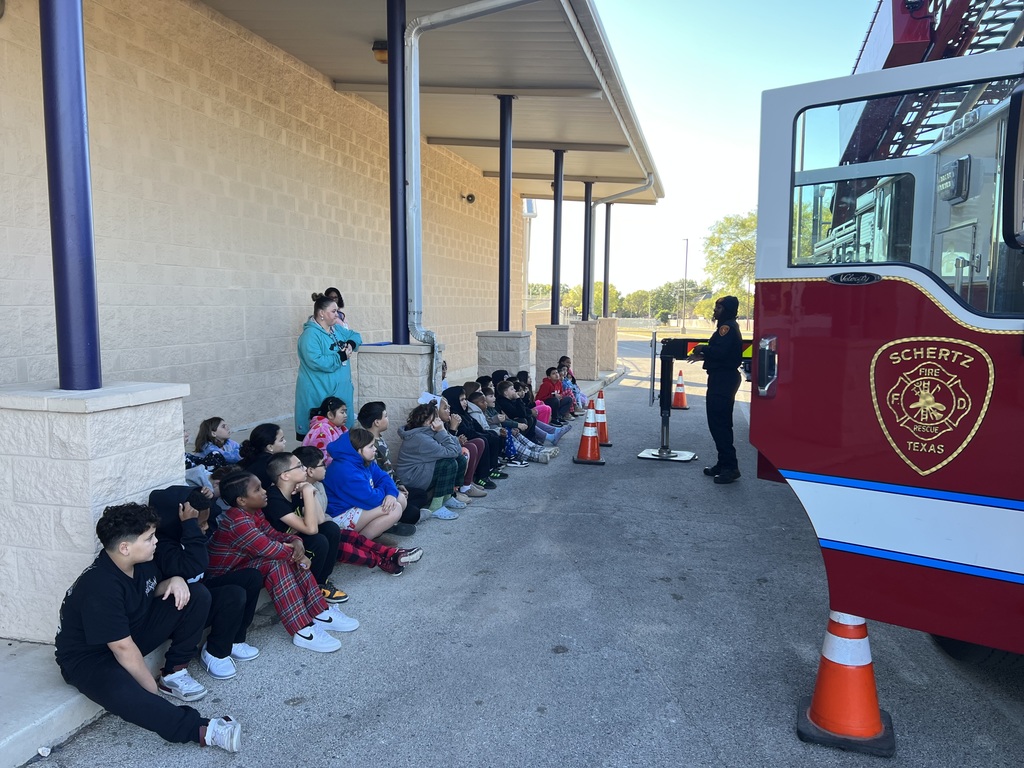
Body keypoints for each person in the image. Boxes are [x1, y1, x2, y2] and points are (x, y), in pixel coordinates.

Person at [54, 503, 242, 752]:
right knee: (127, 694)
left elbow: (147, 592)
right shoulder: (100, 585)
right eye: (149, 538)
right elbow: (122, 649)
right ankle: (203, 730)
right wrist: (150, 691)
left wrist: (173, 581)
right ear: (125, 547)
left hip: (131, 631)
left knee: (193, 593)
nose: (155, 542)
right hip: (90, 657)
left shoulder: (140, 563)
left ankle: (174, 672)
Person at [207, 472, 357, 653]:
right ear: (241, 500)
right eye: (257, 490)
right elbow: (269, 549)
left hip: (242, 568)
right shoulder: (237, 521)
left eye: (262, 486)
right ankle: (302, 630)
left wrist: (296, 541)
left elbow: (274, 535)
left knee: (283, 558)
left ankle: (320, 612)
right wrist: (299, 553)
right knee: (276, 562)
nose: (264, 492)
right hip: (221, 579)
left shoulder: (253, 513)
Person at [149, 486, 262, 681]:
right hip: (184, 612)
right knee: (231, 594)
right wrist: (192, 527)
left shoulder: (194, 529)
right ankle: (213, 654)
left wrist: (207, 496)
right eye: (199, 524)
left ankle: (234, 639)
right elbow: (195, 565)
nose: (206, 528)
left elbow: (211, 516)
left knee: (251, 577)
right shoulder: (164, 546)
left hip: (203, 596)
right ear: (181, 523)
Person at [294, 444, 423, 576]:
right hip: (321, 535)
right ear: (310, 471)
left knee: (356, 540)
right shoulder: (303, 491)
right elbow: (320, 520)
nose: (326, 466)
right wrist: (308, 492)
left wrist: (389, 492)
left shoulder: (318, 484)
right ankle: (389, 558)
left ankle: (393, 555)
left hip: (330, 529)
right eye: (322, 465)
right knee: (349, 548)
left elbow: (382, 478)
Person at [264, 452, 348, 604]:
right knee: (319, 540)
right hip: (281, 547)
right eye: (299, 466)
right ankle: (309, 589)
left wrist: (308, 489)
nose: (304, 469)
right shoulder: (274, 499)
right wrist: (308, 492)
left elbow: (321, 520)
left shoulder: (296, 490)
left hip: (297, 539)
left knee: (330, 528)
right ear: (285, 476)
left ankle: (320, 583)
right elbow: (311, 530)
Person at [690, 295, 743, 484]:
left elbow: (720, 352)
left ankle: (730, 467)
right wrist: (705, 356)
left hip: (723, 379)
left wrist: (703, 348)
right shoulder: (726, 328)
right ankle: (723, 463)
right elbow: (724, 354)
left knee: (719, 423)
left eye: (719, 308)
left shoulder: (726, 328)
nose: (715, 311)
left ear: (727, 310)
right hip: (722, 377)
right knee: (718, 423)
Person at [295, 294, 362, 438]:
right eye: (333, 311)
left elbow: (356, 335)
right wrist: (341, 356)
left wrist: (350, 344)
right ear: (321, 313)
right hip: (319, 392)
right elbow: (316, 361)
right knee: (322, 439)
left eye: (337, 311)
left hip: (340, 392)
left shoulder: (336, 330)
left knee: (343, 438)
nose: (337, 314)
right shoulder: (310, 335)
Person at [322, 428, 405, 538]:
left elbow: (384, 477)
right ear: (358, 450)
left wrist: (390, 493)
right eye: (370, 446)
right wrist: (387, 492)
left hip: (357, 505)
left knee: (400, 497)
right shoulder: (344, 470)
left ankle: (376, 534)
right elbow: (371, 499)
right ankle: (360, 543)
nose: (375, 449)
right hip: (340, 514)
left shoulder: (360, 459)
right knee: (395, 509)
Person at [357, 400, 420, 534]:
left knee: (420, 495)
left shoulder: (380, 439)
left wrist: (398, 484)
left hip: (390, 487)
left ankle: (394, 519)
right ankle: (388, 525)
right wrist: (393, 492)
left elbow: (388, 470)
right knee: (413, 512)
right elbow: (377, 479)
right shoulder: (371, 446)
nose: (388, 419)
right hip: (382, 493)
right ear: (377, 422)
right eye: (385, 416)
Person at [395, 402, 465, 520]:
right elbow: (452, 451)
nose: (439, 420)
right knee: (448, 464)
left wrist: (442, 431)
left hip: (422, 470)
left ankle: (447, 497)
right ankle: (436, 507)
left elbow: (457, 451)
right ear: (428, 422)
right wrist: (442, 431)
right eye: (436, 417)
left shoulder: (429, 431)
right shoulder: (420, 439)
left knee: (460, 459)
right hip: (412, 478)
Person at [238, 423, 288, 489]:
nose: (285, 441)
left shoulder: (248, 459)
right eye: (281, 440)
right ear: (270, 447)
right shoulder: (275, 464)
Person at [302, 396, 349, 466]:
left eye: (345, 412)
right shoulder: (322, 429)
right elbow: (321, 455)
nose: (345, 415)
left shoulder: (340, 428)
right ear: (330, 415)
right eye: (342, 412)